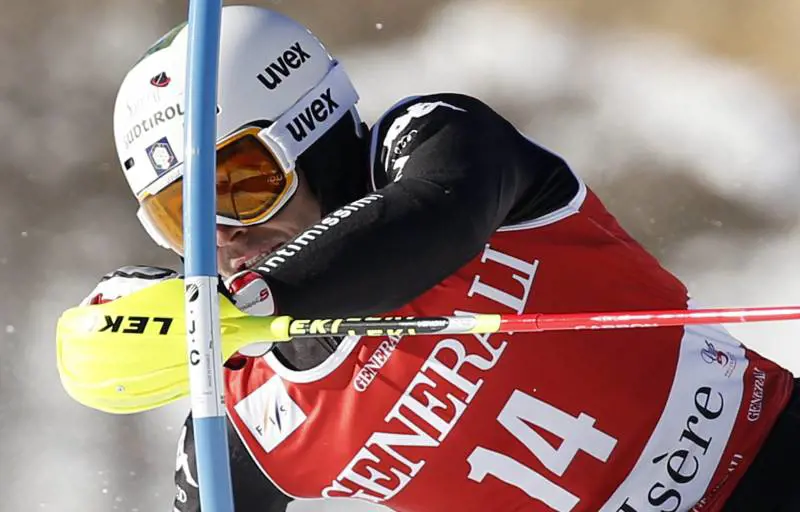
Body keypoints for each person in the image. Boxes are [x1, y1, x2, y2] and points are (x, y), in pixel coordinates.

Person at [77, 4, 800, 512]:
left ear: (313, 130)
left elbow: (436, 216)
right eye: (181, 216)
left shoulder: (436, 142)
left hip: (769, 459)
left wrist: (247, 303)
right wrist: (117, 340)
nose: (222, 238)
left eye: (240, 186)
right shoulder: (245, 408)